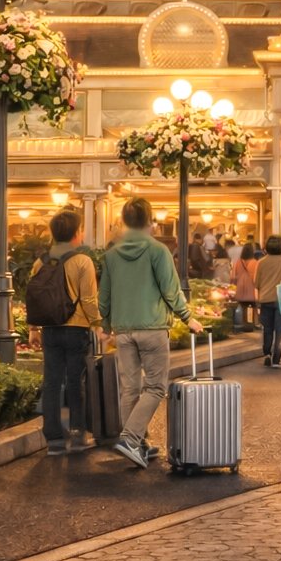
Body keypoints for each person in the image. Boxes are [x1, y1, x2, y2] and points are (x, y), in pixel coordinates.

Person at [99, 198, 204, 469]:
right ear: (149, 220)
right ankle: (131, 438)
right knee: (156, 387)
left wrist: (106, 325)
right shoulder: (158, 251)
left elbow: (105, 296)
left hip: (123, 331)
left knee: (130, 389)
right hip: (153, 329)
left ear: (123, 220)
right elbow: (171, 290)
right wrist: (188, 317)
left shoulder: (111, 254)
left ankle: (139, 444)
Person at [32, 210, 101, 456]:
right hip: (76, 329)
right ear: (75, 233)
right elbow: (89, 299)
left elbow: (35, 298)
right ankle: (78, 433)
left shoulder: (40, 262)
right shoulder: (82, 261)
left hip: (50, 329)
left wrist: (32, 329)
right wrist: (98, 324)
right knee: (75, 382)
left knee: (51, 382)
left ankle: (53, 440)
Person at [253, 235, 281, 368]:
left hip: (265, 299)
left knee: (267, 329)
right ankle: (277, 359)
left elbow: (256, 283)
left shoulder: (261, 262)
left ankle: (267, 353)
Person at [232, 242, 259, 330]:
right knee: (252, 306)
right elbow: (257, 276)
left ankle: (246, 323)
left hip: (240, 288)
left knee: (244, 307)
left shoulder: (238, 262)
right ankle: (251, 323)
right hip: (251, 288)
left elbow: (233, 276)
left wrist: (233, 285)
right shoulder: (255, 262)